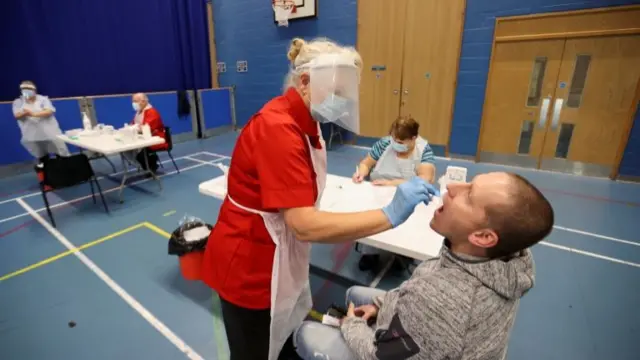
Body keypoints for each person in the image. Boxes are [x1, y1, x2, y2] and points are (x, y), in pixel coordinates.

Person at [201, 37, 439, 360]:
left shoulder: (307, 122)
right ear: (305, 82)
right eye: (338, 92)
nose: (342, 102)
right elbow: (303, 224)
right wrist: (389, 214)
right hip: (250, 268)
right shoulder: (277, 128)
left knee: (285, 341)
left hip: (280, 256)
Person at [294, 171, 554, 360]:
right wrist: (381, 307)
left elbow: (380, 355)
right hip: (432, 330)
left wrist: (352, 325)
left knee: (306, 334)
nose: (452, 186)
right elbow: (420, 295)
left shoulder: (440, 301)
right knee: (357, 294)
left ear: (484, 237)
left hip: (411, 337)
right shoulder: (506, 259)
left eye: (469, 194)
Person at [352, 116, 436, 271]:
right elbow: (366, 163)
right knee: (370, 218)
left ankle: (403, 253)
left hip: (407, 194)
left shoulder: (423, 150)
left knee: (409, 222)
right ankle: (370, 252)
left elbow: (425, 179)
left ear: (413, 138)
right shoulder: (384, 144)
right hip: (378, 192)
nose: (395, 144)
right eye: (393, 139)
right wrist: (361, 173)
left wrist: (391, 183)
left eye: (400, 142)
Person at [12, 81, 69, 163]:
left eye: (28, 89)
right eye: (24, 90)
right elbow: (16, 115)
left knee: (61, 154)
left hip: (50, 134)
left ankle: (65, 172)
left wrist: (32, 114)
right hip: (32, 136)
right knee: (42, 158)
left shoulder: (43, 99)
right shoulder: (18, 102)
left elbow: (49, 111)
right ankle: (47, 173)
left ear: (34, 90)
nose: (26, 92)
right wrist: (24, 113)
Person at [129, 93, 168, 173]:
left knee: (140, 153)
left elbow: (146, 127)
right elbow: (133, 124)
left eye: (135, 101)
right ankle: (145, 166)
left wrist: (134, 128)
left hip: (155, 138)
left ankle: (151, 166)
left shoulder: (152, 112)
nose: (133, 104)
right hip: (142, 138)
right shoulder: (138, 113)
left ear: (143, 101)